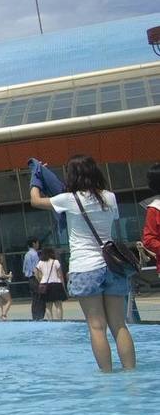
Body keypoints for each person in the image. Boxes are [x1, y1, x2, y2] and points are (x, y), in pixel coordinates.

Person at [30, 154, 136, 372]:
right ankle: (130, 374)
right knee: (119, 325)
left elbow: (35, 200)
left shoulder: (69, 199)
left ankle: (107, 378)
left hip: (85, 268)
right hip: (112, 266)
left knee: (97, 327)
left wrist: (36, 177)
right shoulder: (109, 197)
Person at [33, 247, 67, 321]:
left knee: (48, 306)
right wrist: (63, 285)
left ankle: (50, 321)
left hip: (44, 284)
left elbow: (35, 273)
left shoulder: (40, 263)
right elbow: (60, 275)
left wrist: (40, 279)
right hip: (56, 284)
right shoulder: (56, 262)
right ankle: (60, 321)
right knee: (58, 305)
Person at [23, 237, 45, 321]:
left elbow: (24, 269)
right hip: (35, 278)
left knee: (35, 299)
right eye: (37, 243)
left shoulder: (27, 254)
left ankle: (35, 317)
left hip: (30, 279)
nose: (38, 245)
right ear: (34, 244)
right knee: (40, 298)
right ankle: (40, 317)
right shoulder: (34, 254)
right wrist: (41, 280)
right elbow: (36, 269)